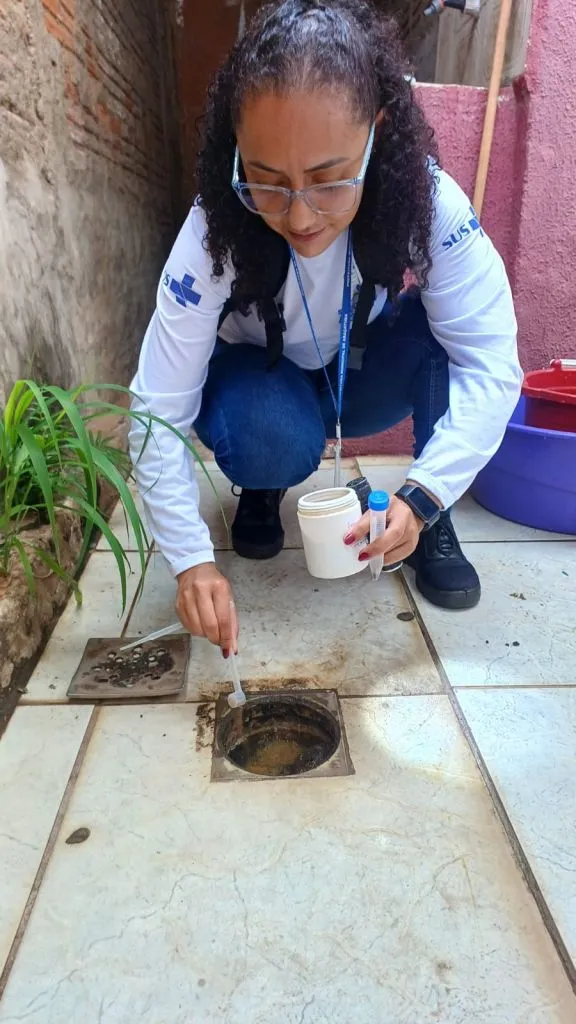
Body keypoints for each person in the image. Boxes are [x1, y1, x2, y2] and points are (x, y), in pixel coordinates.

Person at [129, 0, 522, 657]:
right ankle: (262, 484)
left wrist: (425, 495)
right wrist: (192, 560)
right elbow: (156, 404)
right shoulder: (213, 228)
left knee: (437, 338)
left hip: (359, 374)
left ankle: (432, 523)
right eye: (267, 180)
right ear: (237, 152)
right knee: (273, 437)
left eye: (329, 179)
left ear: (378, 130)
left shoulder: (425, 202)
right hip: (262, 380)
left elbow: (490, 360)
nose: (302, 216)